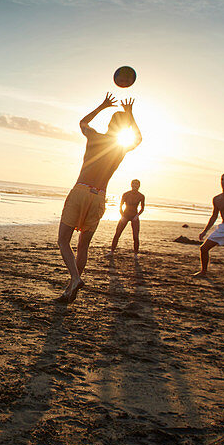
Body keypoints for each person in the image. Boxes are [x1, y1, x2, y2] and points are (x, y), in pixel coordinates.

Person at [57, 93, 141, 302]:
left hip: (81, 191)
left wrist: (102, 106)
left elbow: (82, 122)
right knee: (83, 246)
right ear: (123, 129)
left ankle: (75, 279)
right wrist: (130, 115)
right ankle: (69, 289)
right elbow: (138, 139)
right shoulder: (120, 148)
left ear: (110, 124)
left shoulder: (95, 137)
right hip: (100, 197)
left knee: (63, 241)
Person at [110, 179, 145, 258]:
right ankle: (112, 251)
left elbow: (142, 208)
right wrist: (122, 215)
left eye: (136, 184)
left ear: (139, 186)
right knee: (117, 233)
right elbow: (120, 206)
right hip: (125, 215)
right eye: (133, 184)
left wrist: (137, 216)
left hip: (134, 216)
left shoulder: (141, 196)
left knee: (135, 236)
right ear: (131, 185)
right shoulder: (126, 194)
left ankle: (135, 254)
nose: (135, 186)